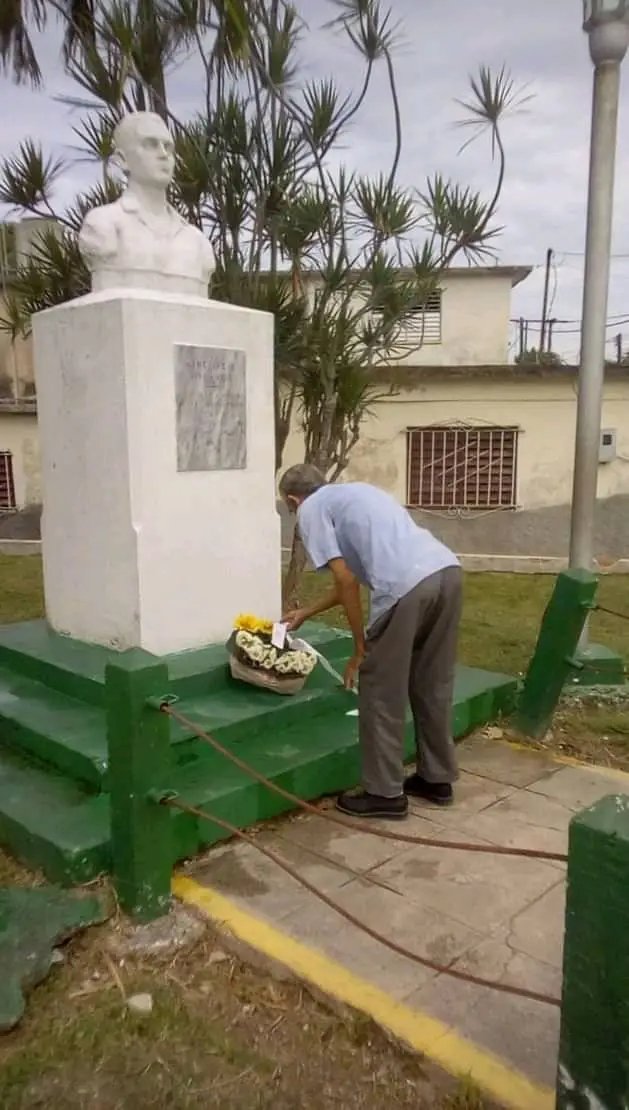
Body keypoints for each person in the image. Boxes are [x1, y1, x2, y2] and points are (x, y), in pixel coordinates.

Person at [279, 464, 462, 820]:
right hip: (446, 572)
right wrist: (307, 613)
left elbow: (346, 579)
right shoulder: (355, 493)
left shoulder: (311, 510)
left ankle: (385, 794)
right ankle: (437, 779)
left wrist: (360, 648)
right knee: (431, 682)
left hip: (405, 587)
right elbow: (350, 580)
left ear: (291, 500)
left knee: (379, 688)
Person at [78, 111, 215, 298]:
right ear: (122, 160)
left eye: (168, 147)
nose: (163, 154)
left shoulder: (197, 241)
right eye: (151, 145)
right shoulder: (103, 225)